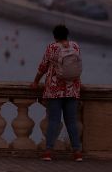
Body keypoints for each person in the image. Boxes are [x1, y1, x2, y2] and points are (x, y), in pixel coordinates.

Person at [31, 24, 83, 161]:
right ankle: (77, 152)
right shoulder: (75, 46)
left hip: (54, 89)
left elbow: (42, 67)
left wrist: (36, 82)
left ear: (55, 36)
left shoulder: (52, 48)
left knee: (54, 120)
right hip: (72, 89)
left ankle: (48, 151)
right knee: (72, 121)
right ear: (67, 35)